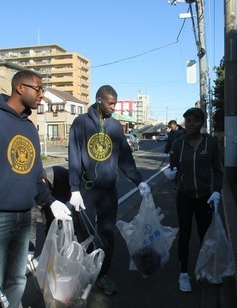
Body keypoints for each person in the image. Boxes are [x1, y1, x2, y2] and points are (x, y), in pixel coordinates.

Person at [0, 70, 72, 307]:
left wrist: (50, 201)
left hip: (23, 217)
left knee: (18, 280)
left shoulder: (30, 128)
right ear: (20, 88)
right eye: (38, 89)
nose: (42, 95)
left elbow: (34, 175)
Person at [68, 85, 151, 295]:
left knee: (107, 233)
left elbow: (124, 157)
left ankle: (102, 274)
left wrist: (138, 180)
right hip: (86, 190)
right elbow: (75, 156)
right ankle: (84, 273)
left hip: (108, 191)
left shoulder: (115, 126)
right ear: (98, 100)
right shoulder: (81, 123)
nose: (113, 107)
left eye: (115, 103)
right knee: (84, 234)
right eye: (110, 103)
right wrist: (74, 188)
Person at [167, 107, 223, 293]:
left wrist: (217, 191)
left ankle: (207, 270)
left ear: (202, 122)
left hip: (205, 197)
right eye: (188, 120)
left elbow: (217, 170)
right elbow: (173, 168)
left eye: (195, 120)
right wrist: (170, 174)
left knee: (205, 235)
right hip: (184, 196)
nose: (191, 124)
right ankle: (183, 273)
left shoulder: (211, 143)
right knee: (184, 234)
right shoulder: (178, 144)